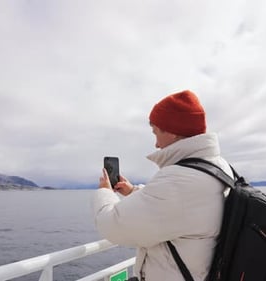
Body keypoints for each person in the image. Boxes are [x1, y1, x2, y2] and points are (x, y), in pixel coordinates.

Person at [92, 90, 233, 281]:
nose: (156, 144)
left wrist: (104, 192)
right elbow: (179, 208)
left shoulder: (180, 181)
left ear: (173, 132)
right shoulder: (217, 167)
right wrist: (133, 191)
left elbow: (112, 225)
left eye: (156, 132)